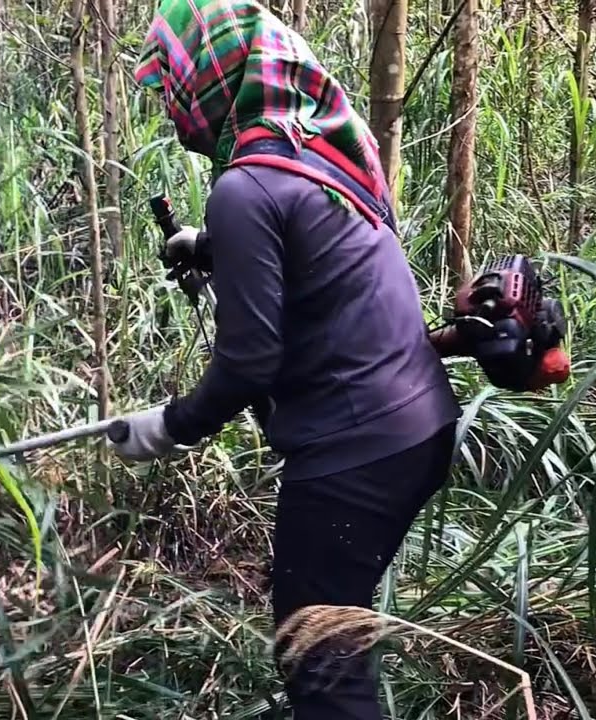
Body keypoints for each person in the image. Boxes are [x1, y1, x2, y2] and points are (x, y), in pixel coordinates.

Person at [108, 0, 459, 717]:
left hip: (357, 446)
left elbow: (249, 361)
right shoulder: (312, 148)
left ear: (215, 75)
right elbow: (316, 250)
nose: (172, 103)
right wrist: (211, 247)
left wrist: (167, 426)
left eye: (176, 80)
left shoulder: (245, 187)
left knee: (317, 657)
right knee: (332, 639)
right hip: (416, 424)